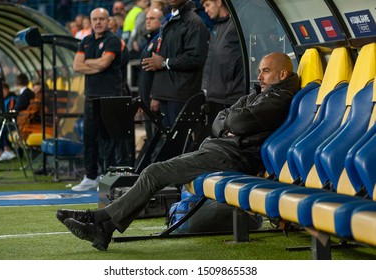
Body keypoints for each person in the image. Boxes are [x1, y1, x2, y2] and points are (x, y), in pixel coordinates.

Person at [57, 52, 301, 251]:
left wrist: (230, 125)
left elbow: (234, 122)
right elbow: (220, 120)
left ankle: (98, 220)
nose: (259, 76)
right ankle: (103, 229)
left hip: (232, 158)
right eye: (259, 70)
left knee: (154, 172)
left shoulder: (279, 98)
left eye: (265, 71)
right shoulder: (261, 94)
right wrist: (229, 124)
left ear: (283, 73)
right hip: (219, 150)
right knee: (156, 171)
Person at [71, 7, 123, 191]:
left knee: (107, 138)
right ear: (91, 21)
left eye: (102, 19)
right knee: (89, 138)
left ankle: (106, 175)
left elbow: (104, 63)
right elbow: (76, 66)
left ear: (108, 21)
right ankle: (90, 176)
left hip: (109, 95)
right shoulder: (85, 41)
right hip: (90, 96)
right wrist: (95, 64)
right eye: (95, 19)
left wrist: (90, 63)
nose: (98, 22)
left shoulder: (113, 40)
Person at [142, 0, 209, 130]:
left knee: (180, 144)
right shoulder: (168, 20)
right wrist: (156, 94)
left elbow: (195, 58)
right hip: (165, 94)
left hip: (181, 95)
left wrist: (164, 62)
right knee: (167, 145)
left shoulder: (194, 22)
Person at [191, 0, 245, 149]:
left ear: (219, 2)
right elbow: (209, 62)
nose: (206, 10)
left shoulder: (236, 26)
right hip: (215, 96)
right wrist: (205, 88)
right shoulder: (216, 27)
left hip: (231, 96)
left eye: (208, 5)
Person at [138, 8, 164, 143]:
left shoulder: (160, 40)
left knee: (157, 140)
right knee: (150, 139)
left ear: (161, 21)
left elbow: (160, 71)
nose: (147, 21)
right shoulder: (149, 41)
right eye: (147, 18)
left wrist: (156, 96)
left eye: (152, 18)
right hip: (146, 99)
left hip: (154, 99)